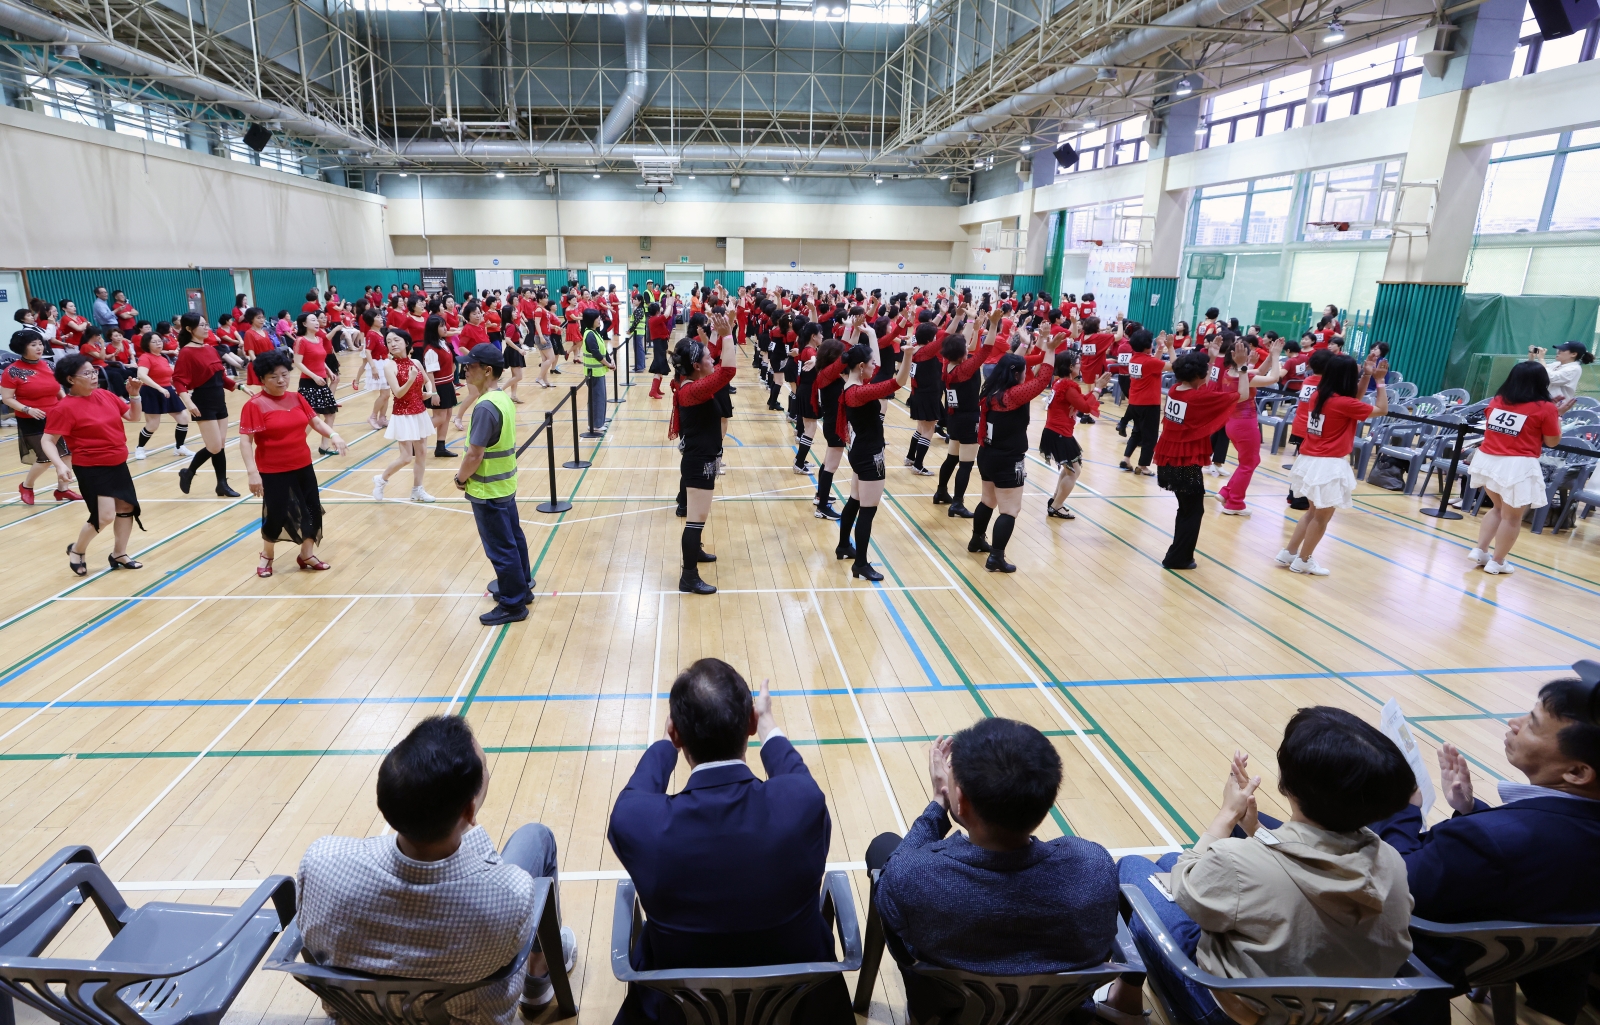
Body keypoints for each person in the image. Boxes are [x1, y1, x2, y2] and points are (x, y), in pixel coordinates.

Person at [1105, 707, 1416, 1025]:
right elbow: (1307, 866)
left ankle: (1123, 1001)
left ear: (1288, 781)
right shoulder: (1390, 860)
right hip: (1338, 1014)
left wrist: (1226, 814)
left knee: (1133, 870)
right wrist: (1255, 829)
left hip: (1234, 1013)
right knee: (1172, 861)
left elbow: (1185, 888)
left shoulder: (1240, 863)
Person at [608, 658, 849, 1025]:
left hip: (681, 1011)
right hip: (799, 1009)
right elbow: (795, 776)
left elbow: (633, 799)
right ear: (749, 724)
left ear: (676, 734)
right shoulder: (801, 808)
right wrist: (767, 723)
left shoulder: (643, 828)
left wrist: (666, 744)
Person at [297, 715, 577, 1025]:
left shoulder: (321, 860)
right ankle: (538, 979)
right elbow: (496, 893)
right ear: (470, 810)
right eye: (485, 770)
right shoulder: (510, 894)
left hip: (363, 1017)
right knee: (537, 838)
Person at [1373, 668, 1600, 1025]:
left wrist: (1401, 809)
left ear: (1576, 772)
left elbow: (1395, 880)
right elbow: (1540, 844)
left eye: (1533, 724)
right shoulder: (1556, 830)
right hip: (1536, 961)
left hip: (1426, 962)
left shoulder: (1488, 840)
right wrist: (1469, 810)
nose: (1514, 722)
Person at [868, 720, 1117, 1019]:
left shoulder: (915, 877)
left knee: (884, 848)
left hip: (952, 1015)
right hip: (1056, 1014)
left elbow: (892, 879)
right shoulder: (1093, 866)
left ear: (960, 799)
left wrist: (938, 804)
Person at [1277, 352, 1388, 576]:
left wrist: (1366, 377)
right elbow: (1382, 410)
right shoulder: (1343, 403)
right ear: (1346, 377)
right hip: (1327, 464)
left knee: (1311, 512)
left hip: (1309, 459)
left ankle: (1289, 553)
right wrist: (1381, 381)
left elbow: (1352, 402)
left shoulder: (1320, 395)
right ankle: (1304, 560)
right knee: (1321, 517)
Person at [239, 350, 346, 577]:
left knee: (312, 511)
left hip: (303, 465)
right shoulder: (255, 405)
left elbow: (315, 421)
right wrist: (252, 473)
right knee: (276, 516)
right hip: (272, 470)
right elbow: (246, 441)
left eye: (285, 374)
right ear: (261, 380)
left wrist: (334, 435)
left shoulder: (297, 398)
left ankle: (306, 554)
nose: (281, 380)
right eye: (273, 376)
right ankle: (267, 555)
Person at [40, 354, 147, 574]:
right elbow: (47, 440)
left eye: (94, 371)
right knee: (104, 516)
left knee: (126, 507)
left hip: (117, 462)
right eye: (87, 373)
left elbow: (133, 417)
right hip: (91, 467)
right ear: (71, 379)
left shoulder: (105, 395)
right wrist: (60, 465)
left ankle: (119, 553)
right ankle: (77, 550)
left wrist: (134, 396)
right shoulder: (64, 408)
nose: (93, 376)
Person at [453, 344, 534, 625]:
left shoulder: (486, 406)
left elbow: (475, 454)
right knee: (514, 538)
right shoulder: (501, 399)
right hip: (505, 484)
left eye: (470, 366)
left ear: (487, 371)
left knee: (501, 548)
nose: (465, 369)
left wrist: (460, 478)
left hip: (487, 489)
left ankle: (513, 604)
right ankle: (522, 585)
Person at [1152, 347, 1249, 570]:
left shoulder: (1176, 389)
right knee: (1193, 510)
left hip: (1169, 457)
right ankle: (1178, 558)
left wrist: (1212, 358)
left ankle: (1178, 554)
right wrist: (1243, 368)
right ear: (1198, 375)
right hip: (1185, 461)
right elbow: (1242, 395)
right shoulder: (1198, 397)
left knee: (1186, 509)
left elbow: (1203, 385)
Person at [1466, 359, 1563, 574]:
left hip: (1488, 459)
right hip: (1516, 464)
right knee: (1512, 516)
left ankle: (1481, 550)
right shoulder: (1546, 408)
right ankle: (1497, 561)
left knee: (1498, 509)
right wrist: (1558, 415)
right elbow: (1552, 441)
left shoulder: (1498, 400)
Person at [969, 340, 1057, 573]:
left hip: (986, 454)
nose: (1027, 374)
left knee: (987, 500)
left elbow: (1015, 364)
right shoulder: (1012, 396)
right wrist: (1050, 351)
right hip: (1007, 459)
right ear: (1016, 374)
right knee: (1009, 510)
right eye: (1023, 371)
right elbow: (1042, 381)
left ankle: (977, 539)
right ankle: (996, 557)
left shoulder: (991, 390)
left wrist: (1038, 348)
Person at [837, 336, 916, 581]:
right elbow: (899, 381)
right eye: (871, 362)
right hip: (869, 455)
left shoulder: (850, 385)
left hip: (860, 450)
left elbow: (882, 370)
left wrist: (871, 334)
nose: (874, 366)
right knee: (867, 511)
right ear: (861, 366)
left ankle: (843, 546)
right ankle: (860, 563)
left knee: (854, 500)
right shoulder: (859, 392)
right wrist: (908, 354)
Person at [668, 337, 737, 594]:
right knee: (695, 521)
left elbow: (721, 371)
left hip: (705, 459)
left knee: (700, 517)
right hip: (700, 463)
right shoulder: (692, 390)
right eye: (708, 357)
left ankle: (695, 552)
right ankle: (688, 577)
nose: (713, 360)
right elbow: (728, 371)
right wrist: (728, 334)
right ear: (696, 365)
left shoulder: (691, 383)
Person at [5, 329, 82, 505]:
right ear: (22, 348)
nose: (39, 347)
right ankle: (27, 486)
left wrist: (67, 403)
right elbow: (8, 398)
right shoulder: (13, 371)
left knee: (67, 455)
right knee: (46, 457)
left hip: (56, 416)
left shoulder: (49, 365)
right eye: (33, 345)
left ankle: (63, 490)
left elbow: (58, 389)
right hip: (31, 419)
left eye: (40, 343)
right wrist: (27, 409)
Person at [1216, 334, 1286, 516]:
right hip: (1244, 425)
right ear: (1241, 357)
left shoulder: (1229, 372)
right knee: (1249, 463)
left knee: (1247, 462)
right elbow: (1274, 378)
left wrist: (1270, 356)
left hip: (1233, 423)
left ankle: (1226, 492)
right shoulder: (1243, 376)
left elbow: (1258, 373)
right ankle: (1235, 503)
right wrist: (1277, 356)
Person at [173, 314, 240, 497]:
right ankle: (189, 472)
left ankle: (222, 484)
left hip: (220, 401)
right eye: (201, 325)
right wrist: (188, 402)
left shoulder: (210, 348)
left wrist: (239, 386)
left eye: (206, 324)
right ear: (189, 329)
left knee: (220, 445)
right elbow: (179, 381)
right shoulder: (186, 352)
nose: (206, 327)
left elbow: (220, 376)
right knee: (215, 446)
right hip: (203, 404)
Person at [1040, 350, 1108, 520]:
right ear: (1070, 367)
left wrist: (1094, 391)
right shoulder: (1067, 385)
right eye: (1078, 363)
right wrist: (1098, 388)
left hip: (1055, 431)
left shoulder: (1060, 383)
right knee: (1073, 471)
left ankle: (1056, 500)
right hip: (1059, 432)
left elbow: (1080, 400)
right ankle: (1056, 506)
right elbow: (1085, 408)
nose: (1081, 366)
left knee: (1070, 468)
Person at [374, 330, 438, 503]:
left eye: (396, 340)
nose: (393, 344)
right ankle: (381, 479)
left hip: (419, 412)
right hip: (402, 414)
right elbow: (398, 393)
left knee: (422, 452)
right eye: (389, 341)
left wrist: (428, 393)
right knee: (406, 457)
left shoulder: (416, 362)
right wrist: (410, 380)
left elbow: (427, 381)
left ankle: (418, 490)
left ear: (406, 342)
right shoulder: (389, 365)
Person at [132, 331, 192, 460]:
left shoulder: (163, 358)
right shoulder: (145, 357)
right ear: (147, 344)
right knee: (153, 425)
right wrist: (159, 388)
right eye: (154, 341)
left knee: (183, 418)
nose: (158, 343)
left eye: (159, 341)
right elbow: (142, 375)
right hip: (151, 392)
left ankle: (179, 447)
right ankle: (140, 448)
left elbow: (170, 377)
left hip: (167, 390)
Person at [1535, 342, 1593, 413]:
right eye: (1559, 349)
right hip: (1545, 403)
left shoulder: (1574, 368)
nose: (1558, 352)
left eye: (1563, 350)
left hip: (1558, 407)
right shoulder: (1557, 364)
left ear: (1574, 354)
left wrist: (1541, 359)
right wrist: (1531, 357)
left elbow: (1551, 378)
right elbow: (1537, 372)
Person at [580, 309, 612, 433]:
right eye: (597, 318)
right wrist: (608, 364)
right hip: (593, 373)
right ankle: (595, 424)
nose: (600, 320)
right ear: (590, 320)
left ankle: (599, 421)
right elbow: (596, 354)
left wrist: (610, 360)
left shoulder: (595, 332)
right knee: (596, 399)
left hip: (599, 372)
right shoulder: (589, 334)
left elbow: (602, 349)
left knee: (601, 397)